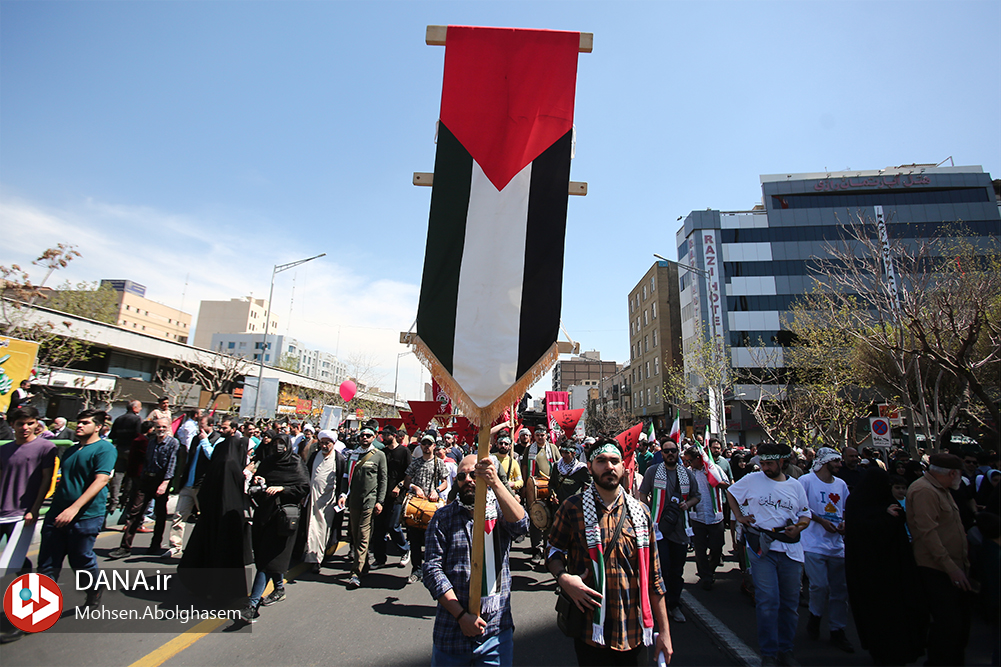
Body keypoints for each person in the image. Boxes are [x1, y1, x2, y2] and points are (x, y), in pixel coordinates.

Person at [547, 438, 673, 666]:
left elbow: (654, 578)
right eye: (601, 461)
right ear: (590, 467)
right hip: (590, 630)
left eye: (615, 461)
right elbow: (553, 550)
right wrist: (564, 579)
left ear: (624, 467)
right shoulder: (572, 508)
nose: (609, 466)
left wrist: (664, 632)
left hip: (634, 631)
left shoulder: (641, 513)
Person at [423, 454, 529, 666]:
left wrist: (496, 483)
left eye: (474, 474)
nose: (468, 479)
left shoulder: (500, 512)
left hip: (495, 633)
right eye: (462, 476)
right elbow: (432, 570)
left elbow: (522, 527)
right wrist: (462, 616)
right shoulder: (443, 517)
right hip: (451, 634)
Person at [726, 442, 811, 667]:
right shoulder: (752, 480)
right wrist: (739, 516)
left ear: (782, 462)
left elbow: (805, 514)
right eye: (762, 463)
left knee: (790, 603)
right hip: (762, 548)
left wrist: (799, 527)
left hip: (790, 550)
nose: (765, 468)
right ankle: (769, 652)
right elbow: (731, 493)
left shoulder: (796, 486)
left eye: (770, 464)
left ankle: (786, 649)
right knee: (768, 601)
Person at [845, 468, 927, 665]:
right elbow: (865, 530)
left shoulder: (884, 503)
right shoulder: (858, 503)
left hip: (893, 571)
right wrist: (885, 517)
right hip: (870, 572)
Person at [37, 410, 117, 608]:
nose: (79, 426)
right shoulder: (72, 450)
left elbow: (102, 480)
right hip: (56, 513)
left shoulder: (105, 449)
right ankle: (37, 611)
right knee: (47, 564)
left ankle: (94, 589)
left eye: (85, 423)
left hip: (85, 517)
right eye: (78, 422)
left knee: (80, 560)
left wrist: (74, 509)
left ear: (98, 427)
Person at [907, 453, 972, 666]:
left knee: (958, 626)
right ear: (953, 473)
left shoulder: (941, 489)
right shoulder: (924, 490)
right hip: (936, 569)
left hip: (953, 565)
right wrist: (951, 567)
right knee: (947, 625)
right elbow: (928, 534)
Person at [177, 427, 253, 602]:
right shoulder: (232, 465)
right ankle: (223, 591)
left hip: (209, 518)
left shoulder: (217, 463)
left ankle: (200, 586)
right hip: (228, 521)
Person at [241, 434, 308, 622]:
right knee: (267, 556)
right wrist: (258, 481)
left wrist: (282, 489)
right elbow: (258, 481)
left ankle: (252, 605)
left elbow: (303, 487)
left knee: (266, 561)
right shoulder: (268, 462)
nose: (278, 447)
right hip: (265, 516)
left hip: (284, 519)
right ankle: (278, 588)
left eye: (282, 444)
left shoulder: (296, 463)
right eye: (276, 444)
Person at [797, 447, 854, 653]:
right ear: (825, 462)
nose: (840, 465)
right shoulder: (806, 481)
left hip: (837, 545)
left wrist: (844, 524)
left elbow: (845, 509)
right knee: (819, 586)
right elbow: (800, 507)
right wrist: (820, 521)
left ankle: (837, 629)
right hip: (813, 543)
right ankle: (815, 616)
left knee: (840, 590)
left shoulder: (840, 484)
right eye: (836, 461)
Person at [639, 438, 698, 624]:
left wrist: (687, 504)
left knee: (676, 571)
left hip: (680, 529)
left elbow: (697, 496)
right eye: (666, 451)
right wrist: (646, 509)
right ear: (661, 454)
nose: (670, 454)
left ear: (678, 452)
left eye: (673, 450)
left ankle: (674, 604)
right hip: (659, 530)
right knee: (661, 569)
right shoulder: (653, 471)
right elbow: (642, 493)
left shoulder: (686, 475)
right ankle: (659, 606)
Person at [109, 417, 179, 559]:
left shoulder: (173, 443)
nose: (161, 429)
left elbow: (172, 464)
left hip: (161, 480)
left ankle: (155, 545)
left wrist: (165, 483)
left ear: (169, 427)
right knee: (135, 511)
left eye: (164, 427)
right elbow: (147, 460)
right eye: (158, 427)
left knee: (159, 515)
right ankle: (125, 547)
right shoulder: (151, 442)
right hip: (146, 479)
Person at [0, 406, 57, 573]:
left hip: (22, 514)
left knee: (17, 560)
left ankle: (27, 593)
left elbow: (46, 479)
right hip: (1, 511)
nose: (25, 428)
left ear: (36, 424)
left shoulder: (46, 448)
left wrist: (34, 509)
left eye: (30, 423)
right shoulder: (4, 449)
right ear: (12, 425)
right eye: (20, 424)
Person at [165, 415, 223, 558]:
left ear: (211, 425)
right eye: (198, 424)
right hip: (189, 483)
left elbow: (213, 457)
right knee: (179, 515)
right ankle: (175, 546)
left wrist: (205, 441)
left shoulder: (218, 440)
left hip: (202, 485)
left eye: (202, 424)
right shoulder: (195, 439)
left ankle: (205, 548)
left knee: (205, 518)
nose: (200, 427)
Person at [339, 420, 387, 589]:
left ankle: (355, 572)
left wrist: (380, 501)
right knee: (354, 534)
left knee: (363, 535)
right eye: (362, 436)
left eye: (368, 436)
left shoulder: (379, 455)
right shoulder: (352, 455)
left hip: (369, 501)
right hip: (353, 501)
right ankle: (364, 564)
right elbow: (346, 477)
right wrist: (343, 494)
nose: (364, 438)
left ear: (374, 437)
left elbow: (383, 479)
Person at [403, 432, 448, 584]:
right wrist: (415, 487)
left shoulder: (439, 463)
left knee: (431, 541)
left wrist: (437, 490)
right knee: (414, 541)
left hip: (431, 505)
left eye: (429, 444)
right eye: (424, 444)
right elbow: (406, 481)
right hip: (416, 504)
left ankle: (431, 570)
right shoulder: (415, 463)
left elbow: (445, 482)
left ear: (434, 446)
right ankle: (416, 570)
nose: (426, 447)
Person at [684, 445, 729, 591]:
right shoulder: (689, 473)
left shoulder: (713, 470)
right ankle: (705, 576)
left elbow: (727, 484)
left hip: (715, 516)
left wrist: (715, 482)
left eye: (690, 460)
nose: (688, 463)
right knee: (700, 549)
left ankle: (711, 568)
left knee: (717, 547)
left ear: (699, 458)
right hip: (697, 517)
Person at [303, 429, 346, 572]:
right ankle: (310, 555)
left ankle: (317, 558)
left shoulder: (338, 459)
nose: (324, 445)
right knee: (311, 527)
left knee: (322, 529)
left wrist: (341, 496)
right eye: (322, 443)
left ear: (333, 444)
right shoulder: (314, 456)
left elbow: (342, 480)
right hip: (313, 498)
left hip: (329, 500)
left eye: (327, 443)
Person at [373, 425, 411, 568]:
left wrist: (400, 486)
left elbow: (409, 473)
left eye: (386, 434)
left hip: (397, 496)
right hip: (381, 495)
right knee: (379, 528)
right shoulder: (381, 453)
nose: (383, 437)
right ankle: (379, 558)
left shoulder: (404, 452)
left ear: (394, 435)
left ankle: (405, 549)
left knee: (393, 526)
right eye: (382, 435)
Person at [524, 424, 560, 565]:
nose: (540, 437)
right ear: (534, 436)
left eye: (542, 435)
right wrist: (526, 487)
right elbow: (525, 467)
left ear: (546, 435)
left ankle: (547, 548)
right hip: (534, 489)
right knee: (535, 518)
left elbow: (558, 465)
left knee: (549, 518)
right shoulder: (529, 449)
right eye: (538, 435)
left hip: (550, 489)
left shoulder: (553, 449)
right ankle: (536, 549)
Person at [106, 400, 143, 514]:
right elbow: (138, 434)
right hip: (131, 450)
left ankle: (113, 500)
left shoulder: (119, 419)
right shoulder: (137, 419)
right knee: (131, 476)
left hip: (120, 448)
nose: (141, 409)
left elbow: (112, 435)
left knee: (118, 474)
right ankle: (125, 499)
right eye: (140, 407)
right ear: (135, 408)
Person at [549, 439, 590, 506]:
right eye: (562, 452)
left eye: (567, 453)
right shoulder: (557, 466)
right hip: (559, 506)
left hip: (575, 505)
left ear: (574, 453)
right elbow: (551, 484)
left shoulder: (581, 468)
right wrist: (553, 495)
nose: (564, 455)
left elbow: (589, 486)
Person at [493, 430, 522, 495]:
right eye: (501, 443)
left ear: (510, 446)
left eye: (506, 444)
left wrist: (512, 484)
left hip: (507, 494)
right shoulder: (492, 458)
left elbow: (520, 481)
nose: (503, 446)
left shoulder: (513, 462)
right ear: (497, 444)